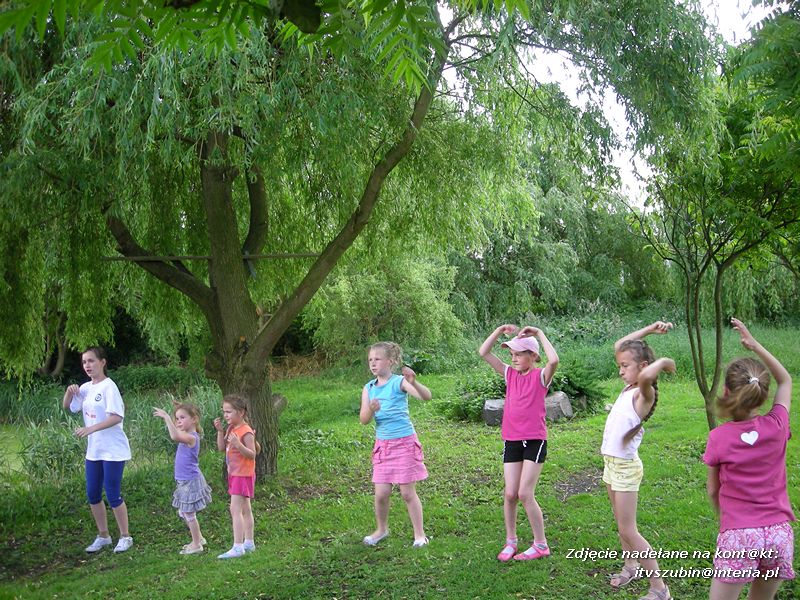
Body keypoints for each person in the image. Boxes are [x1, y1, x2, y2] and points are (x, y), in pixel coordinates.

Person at [703, 318, 795, 600]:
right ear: (763, 395)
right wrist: (754, 345)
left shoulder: (719, 437)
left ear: (727, 392)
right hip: (779, 535)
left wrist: (724, 518)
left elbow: (713, 489)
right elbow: (786, 379)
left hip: (739, 536)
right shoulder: (777, 425)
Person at [602, 322, 675, 600]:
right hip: (612, 465)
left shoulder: (644, 394)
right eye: (619, 366)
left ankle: (659, 588)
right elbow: (618, 345)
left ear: (643, 367)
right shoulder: (628, 388)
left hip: (625, 469)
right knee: (621, 523)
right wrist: (648, 330)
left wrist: (663, 362)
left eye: (625, 366)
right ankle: (630, 566)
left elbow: (645, 379)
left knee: (628, 529)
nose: (620, 371)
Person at [479, 324, 559, 562]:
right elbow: (484, 352)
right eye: (511, 354)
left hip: (534, 441)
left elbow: (554, 360)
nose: (513, 359)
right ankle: (511, 541)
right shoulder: (509, 374)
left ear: (532, 356)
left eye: (519, 354)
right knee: (510, 493)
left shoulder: (540, 376)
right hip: (512, 439)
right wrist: (498, 331)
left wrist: (539, 334)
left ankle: (541, 544)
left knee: (525, 493)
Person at [360, 342, 432, 548]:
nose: (373, 363)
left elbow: (425, 396)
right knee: (381, 494)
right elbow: (364, 419)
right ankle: (381, 530)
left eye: (377, 359)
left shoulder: (399, 382)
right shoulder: (368, 388)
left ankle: (420, 535)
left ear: (390, 361)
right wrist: (371, 409)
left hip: (404, 444)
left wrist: (414, 382)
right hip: (383, 447)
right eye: (370, 360)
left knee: (407, 493)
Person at [62, 346, 133, 553]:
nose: (87, 365)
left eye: (91, 361)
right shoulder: (85, 388)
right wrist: (68, 392)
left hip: (113, 450)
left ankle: (125, 536)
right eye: (84, 362)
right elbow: (68, 406)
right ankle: (103, 536)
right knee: (93, 493)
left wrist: (90, 428)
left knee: (112, 494)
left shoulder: (109, 387)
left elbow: (116, 417)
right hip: (94, 451)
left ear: (102, 362)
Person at [153, 402, 212, 555]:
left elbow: (174, 435)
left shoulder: (192, 437)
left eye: (182, 418)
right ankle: (199, 538)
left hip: (190, 481)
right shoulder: (186, 434)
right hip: (184, 481)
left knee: (188, 513)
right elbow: (177, 431)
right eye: (177, 418)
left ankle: (196, 544)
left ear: (194, 419)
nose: (178, 421)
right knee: (184, 512)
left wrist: (167, 417)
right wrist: (178, 414)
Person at [213, 394, 257, 559]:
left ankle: (238, 546)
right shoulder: (231, 428)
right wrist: (220, 431)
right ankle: (249, 543)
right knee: (245, 508)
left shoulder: (246, 431)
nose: (225, 415)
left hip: (242, 474)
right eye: (224, 412)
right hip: (235, 474)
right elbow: (221, 448)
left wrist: (239, 445)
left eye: (229, 412)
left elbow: (252, 454)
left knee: (235, 509)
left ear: (241, 412)